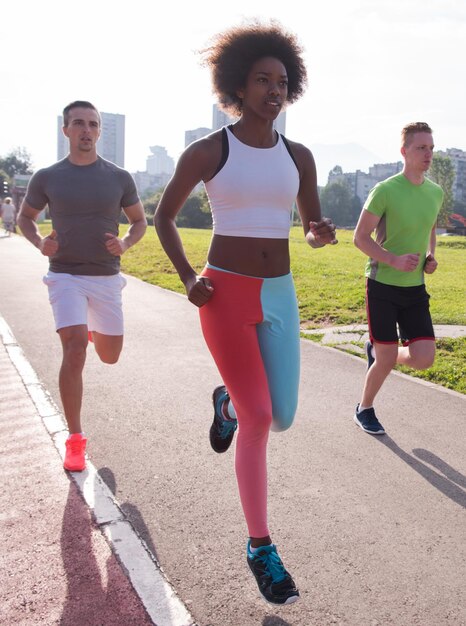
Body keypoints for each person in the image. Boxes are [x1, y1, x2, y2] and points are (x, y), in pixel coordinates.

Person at [154, 22, 337, 605]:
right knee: (261, 421)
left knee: (279, 416)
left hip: (279, 291)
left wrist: (318, 231)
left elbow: (309, 226)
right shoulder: (211, 150)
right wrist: (188, 278)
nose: (273, 90)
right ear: (238, 85)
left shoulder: (299, 156)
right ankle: (261, 547)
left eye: (282, 81)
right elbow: (163, 218)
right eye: (262, 80)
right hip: (225, 294)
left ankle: (226, 401)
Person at [17, 100, 147, 472]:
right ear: (66, 131)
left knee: (109, 355)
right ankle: (74, 440)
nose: (86, 130)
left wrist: (124, 243)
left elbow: (140, 222)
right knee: (75, 351)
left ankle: (89, 328)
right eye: (79, 123)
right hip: (65, 274)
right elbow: (25, 219)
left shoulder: (119, 177)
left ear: (99, 131)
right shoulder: (48, 176)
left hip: (106, 276)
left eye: (93, 124)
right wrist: (40, 241)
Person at [353, 122, 444, 435]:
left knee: (424, 359)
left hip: (414, 289)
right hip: (381, 286)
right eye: (421, 148)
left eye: (431, 148)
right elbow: (360, 237)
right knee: (388, 358)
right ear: (404, 152)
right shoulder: (385, 190)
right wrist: (392, 259)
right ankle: (364, 408)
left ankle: (379, 353)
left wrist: (430, 257)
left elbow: (429, 229)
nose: (428, 154)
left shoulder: (435, 193)